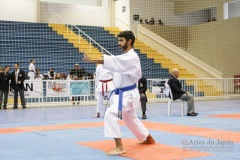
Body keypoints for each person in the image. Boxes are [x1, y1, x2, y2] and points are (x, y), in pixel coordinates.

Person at [83, 30, 155, 156]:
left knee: (110, 114)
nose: (119, 43)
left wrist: (92, 60)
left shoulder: (131, 57)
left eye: (121, 40)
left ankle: (119, 146)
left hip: (128, 94)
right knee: (131, 119)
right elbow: (115, 63)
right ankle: (148, 138)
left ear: (129, 41)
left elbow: (114, 61)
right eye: (118, 40)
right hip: (125, 93)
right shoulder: (126, 57)